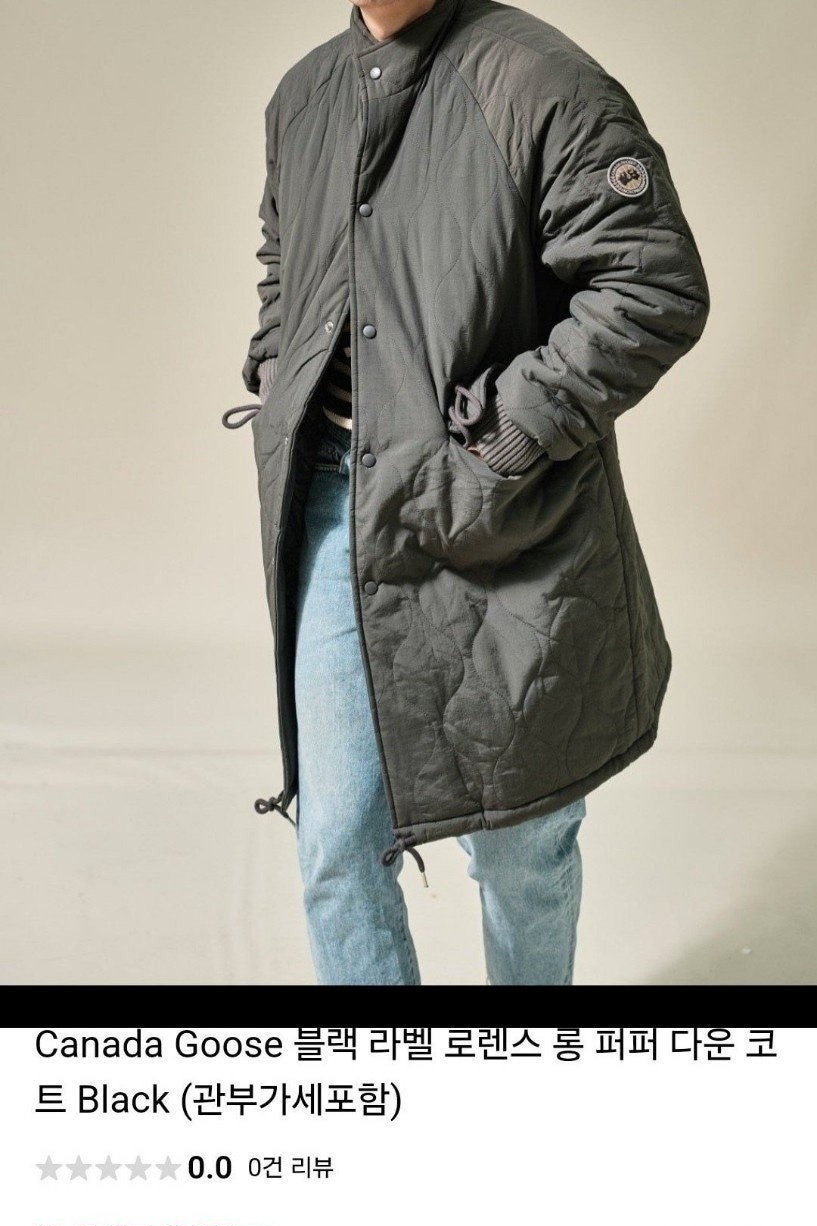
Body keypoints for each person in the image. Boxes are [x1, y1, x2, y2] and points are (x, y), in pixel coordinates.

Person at [221, 0, 710, 985]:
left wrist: (507, 433)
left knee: (521, 845)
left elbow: (649, 285)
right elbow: (286, 263)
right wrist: (277, 363)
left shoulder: (541, 79)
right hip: (335, 503)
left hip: (501, 514)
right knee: (335, 842)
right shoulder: (303, 96)